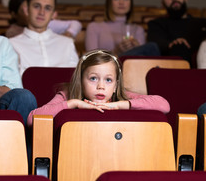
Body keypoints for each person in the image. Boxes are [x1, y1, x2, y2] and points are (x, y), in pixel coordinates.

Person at [27, 49, 170, 126]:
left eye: (108, 80)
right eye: (93, 78)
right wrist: (73, 103)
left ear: (115, 86)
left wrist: (120, 105)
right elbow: (32, 119)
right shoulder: (67, 95)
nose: (101, 86)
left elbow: (164, 105)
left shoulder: (120, 97)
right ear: (81, 80)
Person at [9, 0, 79, 76]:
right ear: (26, 10)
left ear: (54, 14)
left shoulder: (67, 44)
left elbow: (75, 81)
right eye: (37, 6)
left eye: (47, 8)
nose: (41, 12)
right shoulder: (12, 44)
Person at [85, 0, 160, 56]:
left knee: (151, 47)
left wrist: (137, 47)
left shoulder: (138, 30)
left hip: (134, 65)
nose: (121, 2)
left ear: (130, 3)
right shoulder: (94, 27)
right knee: (152, 47)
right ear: (110, 3)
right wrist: (116, 51)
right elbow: (92, 60)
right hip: (109, 66)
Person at [147, 0, 206, 65]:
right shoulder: (156, 25)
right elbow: (157, 44)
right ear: (162, 3)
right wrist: (174, 44)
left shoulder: (204, 24)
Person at [5, 0, 82, 39]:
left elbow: (76, 23)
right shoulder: (12, 34)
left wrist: (68, 34)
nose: (27, 13)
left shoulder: (43, 23)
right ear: (14, 14)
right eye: (24, 10)